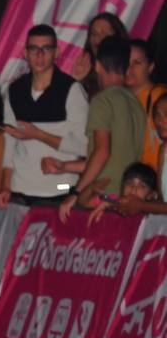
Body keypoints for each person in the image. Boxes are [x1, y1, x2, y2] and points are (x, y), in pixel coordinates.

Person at [0, 25, 89, 209]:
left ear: (57, 52)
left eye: (46, 49)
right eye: (33, 49)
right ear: (25, 53)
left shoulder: (71, 90)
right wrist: (5, 185)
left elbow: (84, 145)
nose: (39, 55)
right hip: (19, 189)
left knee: (66, 189)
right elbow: (9, 142)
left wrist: (38, 134)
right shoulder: (15, 90)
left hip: (60, 188)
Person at [54, 36, 145, 221]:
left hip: (103, 197)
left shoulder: (102, 101)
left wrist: (75, 193)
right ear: (126, 67)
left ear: (97, 65)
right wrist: (65, 167)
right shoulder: (135, 103)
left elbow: (101, 153)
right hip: (125, 198)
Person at [127, 39, 166, 168]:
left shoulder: (159, 96)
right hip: (132, 180)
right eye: (126, 62)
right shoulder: (119, 99)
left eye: (137, 63)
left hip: (156, 178)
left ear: (150, 67)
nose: (129, 68)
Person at [71, 12, 128, 93]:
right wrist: (76, 80)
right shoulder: (86, 75)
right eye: (94, 34)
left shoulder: (129, 72)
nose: (98, 40)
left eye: (105, 33)